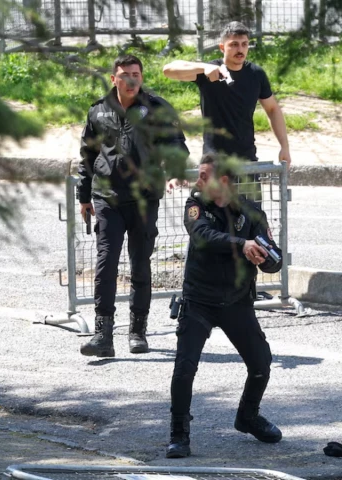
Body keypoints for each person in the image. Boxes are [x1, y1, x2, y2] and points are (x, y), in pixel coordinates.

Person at [166, 152, 283, 459]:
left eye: (205, 176)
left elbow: (275, 259)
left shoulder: (252, 212)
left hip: (235, 301)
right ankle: (179, 433)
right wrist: (242, 245)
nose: (198, 180)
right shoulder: (196, 205)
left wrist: (267, 257)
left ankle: (248, 417)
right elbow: (202, 236)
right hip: (199, 300)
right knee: (185, 367)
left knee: (261, 363)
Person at [78, 54, 189, 358]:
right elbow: (87, 156)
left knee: (140, 263)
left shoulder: (157, 108)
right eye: (125, 75)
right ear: (113, 78)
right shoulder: (98, 111)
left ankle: (137, 331)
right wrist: (84, 196)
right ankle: (103, 335)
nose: (131, 80)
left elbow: (176, 144)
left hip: (143, 198)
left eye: (136, 75)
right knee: (106, 263)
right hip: (107, 197)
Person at [162, 21, 291, 169]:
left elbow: (272, 109)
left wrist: (284, 146)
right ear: (222, 47)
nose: (240, 49)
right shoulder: (209, 71)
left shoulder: (256, 74)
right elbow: (168, 70)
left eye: (244, 44)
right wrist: (204, 67)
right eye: (234, 44)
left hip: (247, 157)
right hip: (214, 159)